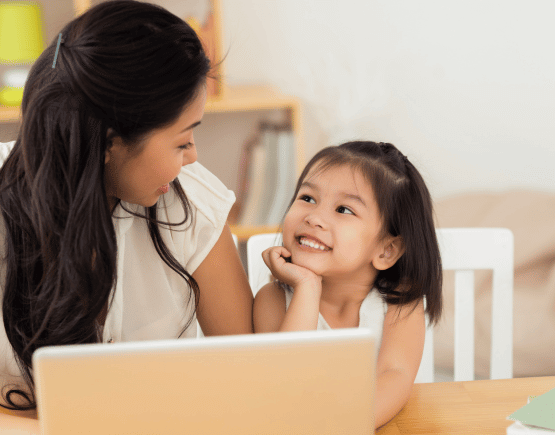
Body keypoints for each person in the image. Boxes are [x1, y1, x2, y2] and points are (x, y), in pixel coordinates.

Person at [0, 0, 253, 411]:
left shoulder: (193, 205)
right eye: (181, 140)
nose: (192, 156)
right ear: (108, 142)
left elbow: (251, 378)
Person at [253, 141, 442, 428]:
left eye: (343, 209)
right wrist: (306, 287)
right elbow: (284, 388)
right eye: (307, 198)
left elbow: (395, 377)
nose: (314, 217)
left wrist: (343, 426)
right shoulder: (273, 299)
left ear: (386, 250)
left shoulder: (399, 302)